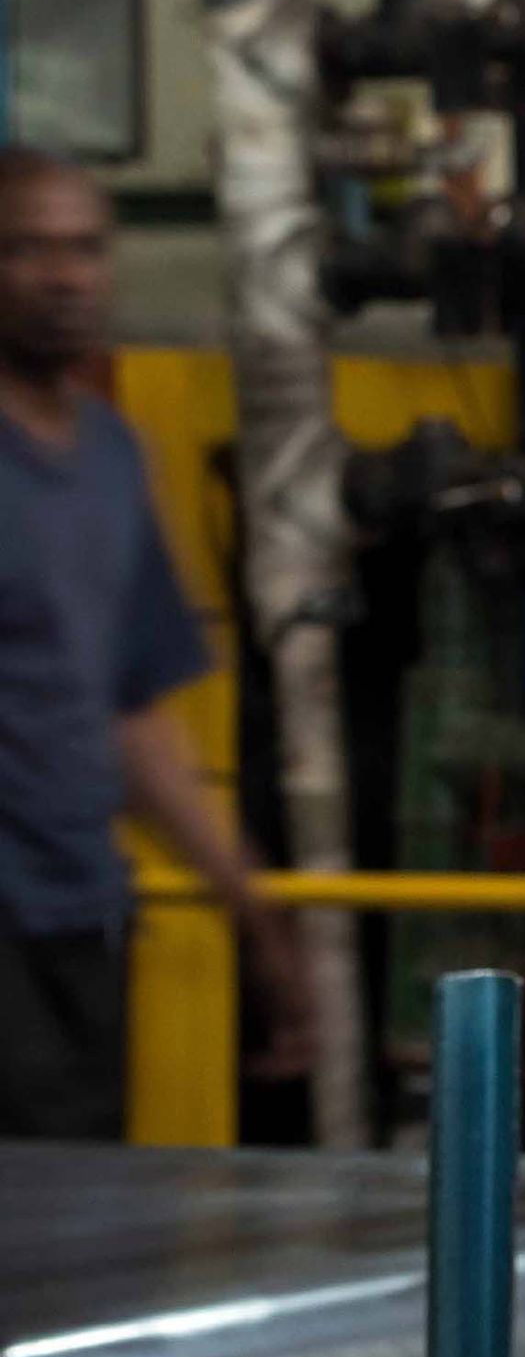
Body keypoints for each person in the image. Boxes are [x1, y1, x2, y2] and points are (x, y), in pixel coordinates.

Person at [0, 148, 304, 1140]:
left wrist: (251, 910)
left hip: (84, 926)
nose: (64, 276)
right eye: (28, 249)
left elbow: (135, 719)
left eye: (85, 248)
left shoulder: (111, 458)